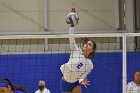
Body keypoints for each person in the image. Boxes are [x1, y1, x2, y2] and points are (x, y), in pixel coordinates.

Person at [60, 7, 96, 93]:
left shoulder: (89, 64)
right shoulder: (75, 50)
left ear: (92, 50)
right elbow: (71, 36)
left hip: (75, 82)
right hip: (65, 81)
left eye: (90, 44)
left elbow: (82, 76)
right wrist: (73, 25)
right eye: (86, 43)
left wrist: (82, 81)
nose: (87, 44)